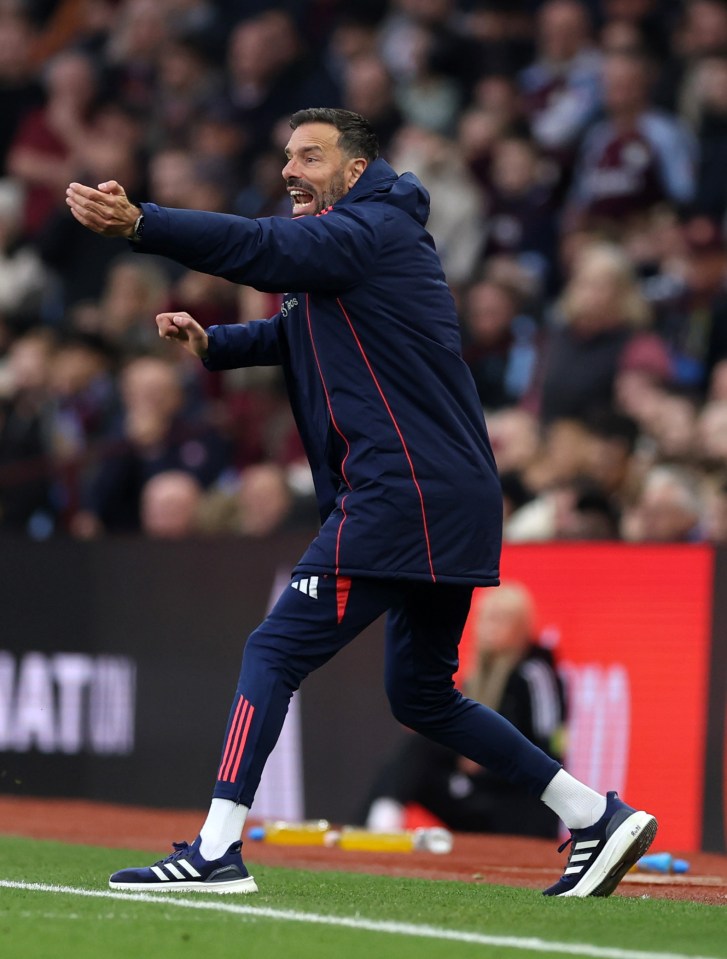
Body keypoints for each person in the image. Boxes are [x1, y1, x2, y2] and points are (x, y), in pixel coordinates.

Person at [66, 107, 656, 898]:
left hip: (400, 493)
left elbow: (260, 249)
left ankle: (214, 849)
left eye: (309, 156)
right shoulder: (361, 244)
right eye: (285, 155)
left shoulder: (367, 229)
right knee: (421, 693)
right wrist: (217, 345)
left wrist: (145, 222)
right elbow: (297, 327)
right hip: (445, 495)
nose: (288, 169)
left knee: (274, 651)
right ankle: (592, 813)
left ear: (353, 169)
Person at [363, 583, 566, 838]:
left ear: (522, 627)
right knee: (417, 747)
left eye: (501, 619)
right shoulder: (477, 675)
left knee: (423, 745)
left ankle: (380, 821)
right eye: (485, 618)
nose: (490, 627)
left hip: (519, 807)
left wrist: (490, 760)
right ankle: (376, 821)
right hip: (477, 794)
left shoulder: (536, 673)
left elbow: (551, 747)